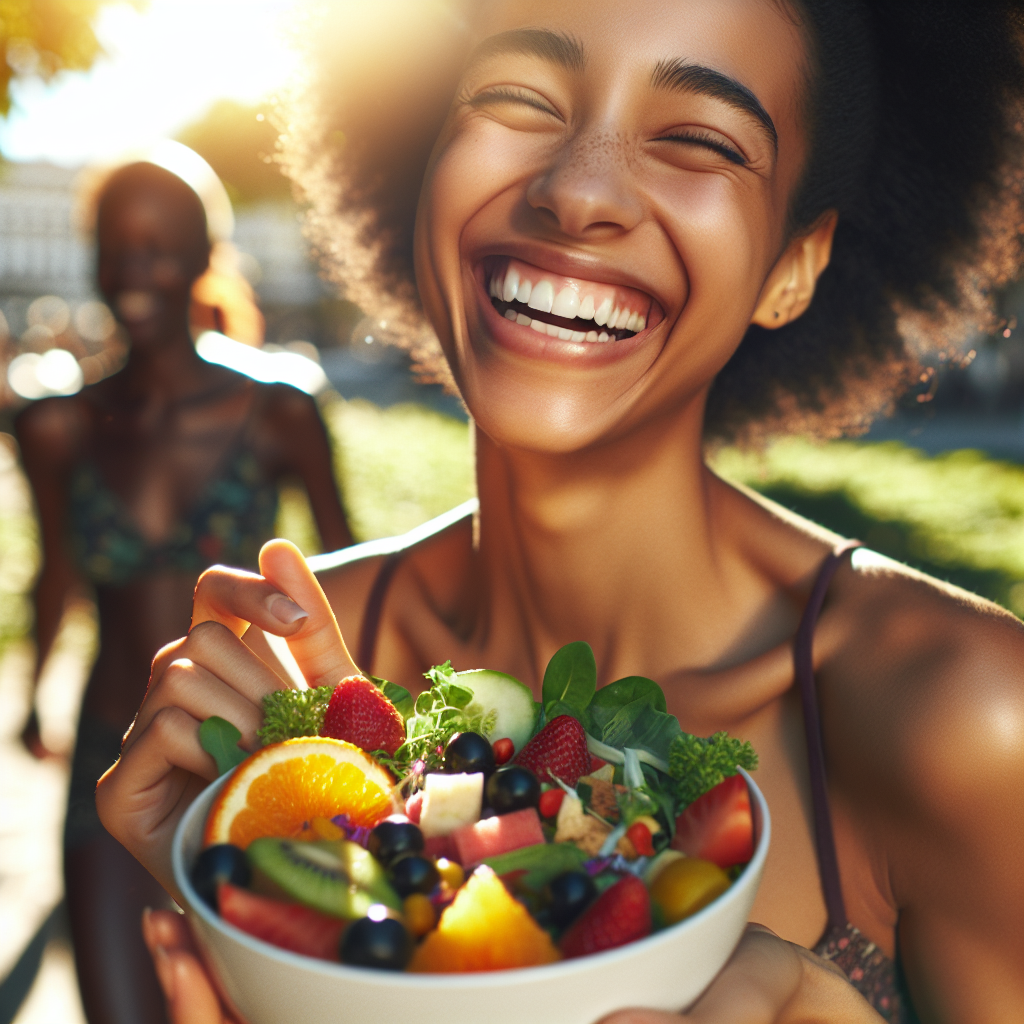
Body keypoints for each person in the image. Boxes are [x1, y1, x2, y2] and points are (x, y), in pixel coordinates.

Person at [98, 0, 1024, 1021]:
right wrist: (227, 896)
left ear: (793, 264)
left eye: (699, 140)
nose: (577, 191)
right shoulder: (287, 689)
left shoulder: (963, 716)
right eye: (515, 97)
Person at [15, 158, 353, 1024]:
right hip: (107, 752)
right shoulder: (56, 426)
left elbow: (348, 567)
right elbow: (55, 572)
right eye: (115, 247)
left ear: (205, 254)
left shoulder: (279, 409)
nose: (134, 269)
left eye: (160, 247)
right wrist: (31, 696)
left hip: (244, 753)